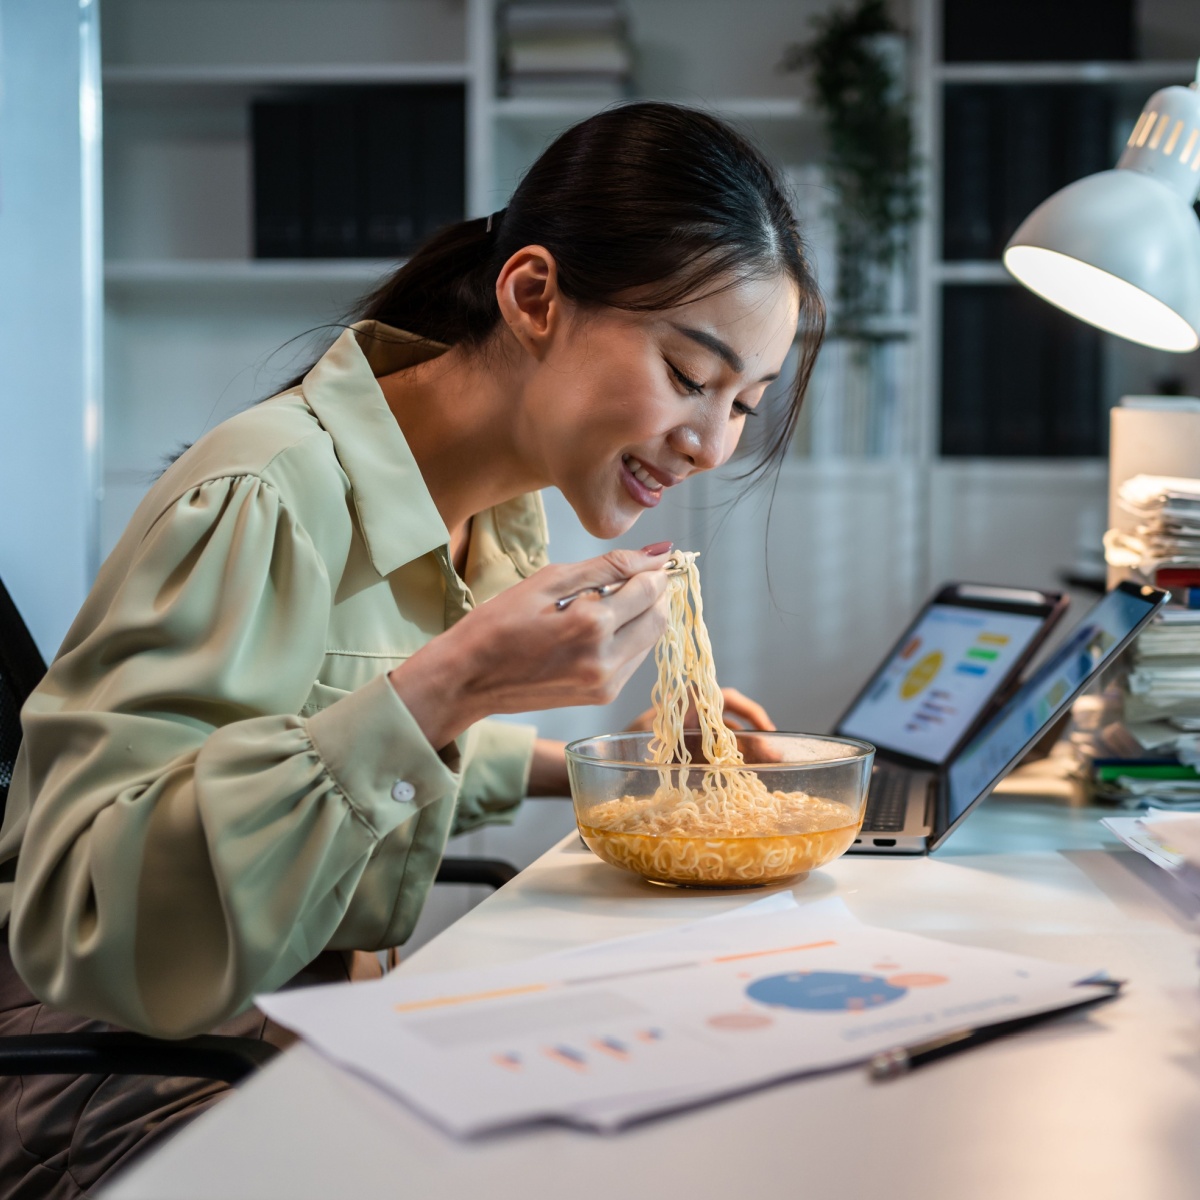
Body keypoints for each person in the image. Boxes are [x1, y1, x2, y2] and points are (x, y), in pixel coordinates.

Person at [0, 100, 823, 1195]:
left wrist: (609, 764)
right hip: (122, 1072)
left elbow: (325, 726)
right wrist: (450, 687)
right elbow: (87, 918)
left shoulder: (499, 512)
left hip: (295, 1034)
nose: (712, 444)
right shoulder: (263, 497)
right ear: (532, 295)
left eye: (745, 406)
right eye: (688, 376)